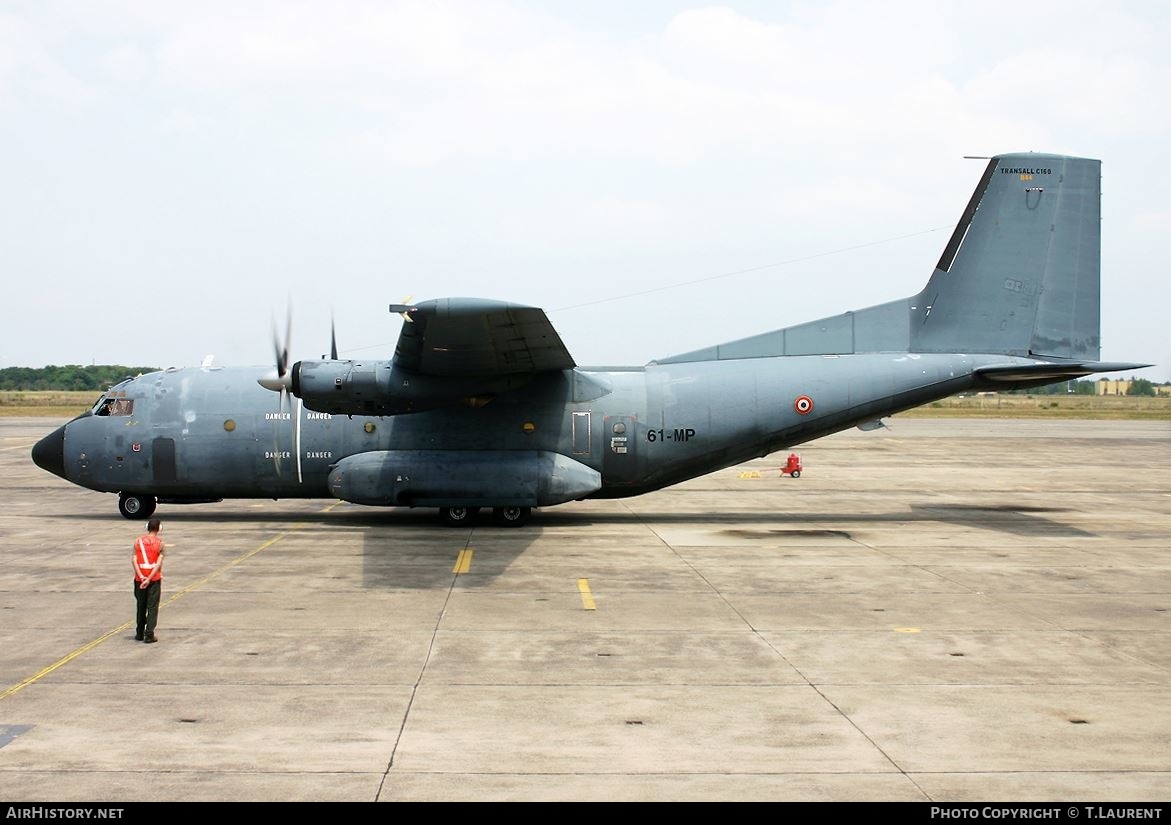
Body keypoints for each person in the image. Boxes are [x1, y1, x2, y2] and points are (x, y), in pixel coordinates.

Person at [131, 517, 166, 643]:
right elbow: (158, 564)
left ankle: (139, 632)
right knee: (152, 606)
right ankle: (149, 634)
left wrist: (141, 577)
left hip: (139, 579)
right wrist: (149, 578)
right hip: (154, 579)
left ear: (147, 527)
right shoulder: (160, 543)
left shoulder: (137, 541)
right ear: (159, 529)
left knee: (141, 606)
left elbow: (134, 560)